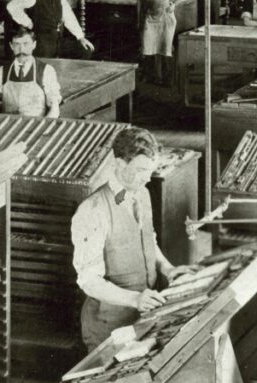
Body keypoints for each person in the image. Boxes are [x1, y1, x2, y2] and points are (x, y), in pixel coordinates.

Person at [71, 127, 193, 349]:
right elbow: (88, 281)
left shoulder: (142, 193)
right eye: (140, 170)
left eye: (150, 170)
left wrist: (168, 269)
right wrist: (135, 299)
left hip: (144, 319)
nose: (147, 178)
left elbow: (148, 241)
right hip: (110, 329)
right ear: (119, 164)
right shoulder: (93, 210)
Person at [138, 0, 191, 86]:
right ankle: (150, 76)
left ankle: (168, 79)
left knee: (166, 47)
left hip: (166, 17)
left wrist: (174, 3)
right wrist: (140, 17)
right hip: (150, 17)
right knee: (148, 47)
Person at [0, 27, 62, 118]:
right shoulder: (2, 71)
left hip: (35, 126)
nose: (21, 49)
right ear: (11, 46)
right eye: (17, 44)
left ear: (34, 45)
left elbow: (54, 109)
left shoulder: (46, 70)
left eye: (26, 44)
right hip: (8, 125)